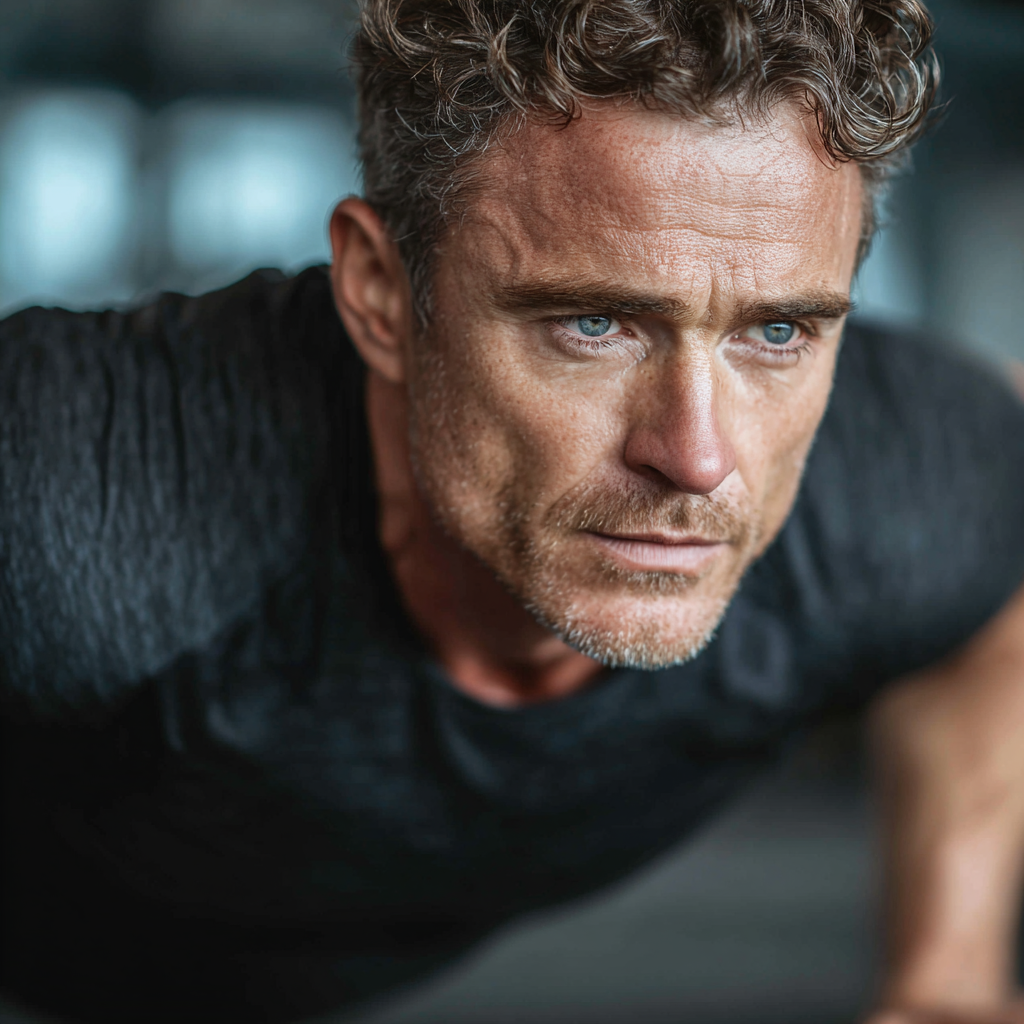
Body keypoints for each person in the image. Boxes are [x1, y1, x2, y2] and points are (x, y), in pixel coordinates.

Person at [3, 1, 1024, 1022]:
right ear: (380, 293)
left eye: (777, 331)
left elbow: (996, 592)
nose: (698, 457)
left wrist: (947, 978)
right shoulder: (73, 504)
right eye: (592, 322)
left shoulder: (910, 475)